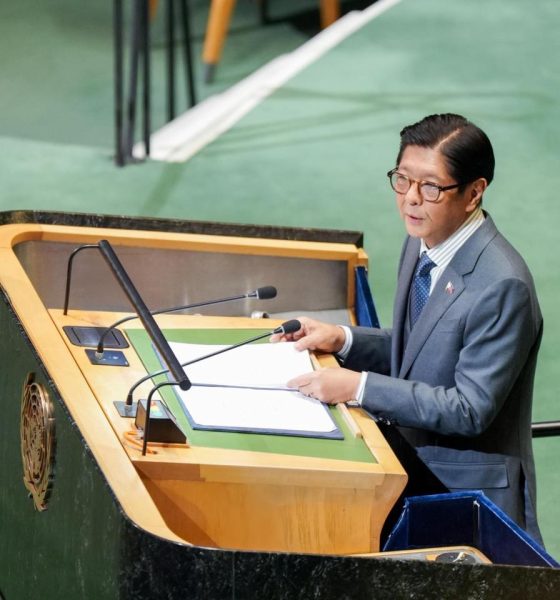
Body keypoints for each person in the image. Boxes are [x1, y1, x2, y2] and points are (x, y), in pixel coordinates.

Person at [273, 113, 543, 544]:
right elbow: (422, 349)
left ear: (474, 192)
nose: (411, 200)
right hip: (405, 466)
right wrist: (343, 338)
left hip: (462, 498)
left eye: (431, 187)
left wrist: (359, 387)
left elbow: (469, 409)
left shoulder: (502, 285)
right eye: (403, 180)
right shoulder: (421, 242)